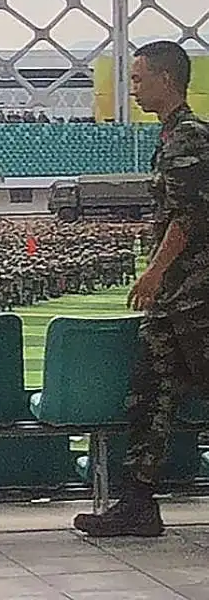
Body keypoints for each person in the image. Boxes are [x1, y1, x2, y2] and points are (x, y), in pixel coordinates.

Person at [74, 40, 209, 537]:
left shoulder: (189, 138)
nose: (132, 87)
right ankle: (138, 504)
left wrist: (153, 271)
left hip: (195, 296)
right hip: (177, 298)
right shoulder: (172, 135)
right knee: (148, 395)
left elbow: (190, 216)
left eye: (139, 77)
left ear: (167, 80)